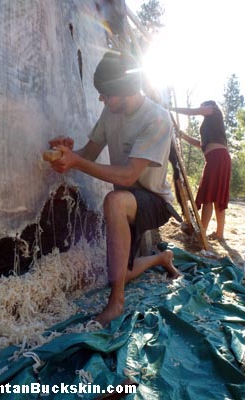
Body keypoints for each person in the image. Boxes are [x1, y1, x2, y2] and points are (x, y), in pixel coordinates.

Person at [49, 51, 180, 327]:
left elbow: (130, 174)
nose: (101, 98)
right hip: (127, 197)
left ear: (124, 89)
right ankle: (161, 257)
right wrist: (68, 154)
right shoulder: (111, 112)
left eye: (105, 93)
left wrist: (78, 162)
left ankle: (116, 302)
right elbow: (89, 153)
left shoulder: (157, 118)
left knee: (114, 201)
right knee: (120, 271)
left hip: (154, 200)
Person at [171, 101, 231, 240]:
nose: (202, 109)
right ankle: (219, 234)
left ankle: (202, 232)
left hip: (217, 158)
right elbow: (200, 144)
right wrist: (183, 135)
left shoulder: (214, 110)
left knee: (209, 195)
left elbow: (193, 111)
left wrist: (172, 108)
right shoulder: (211, 125)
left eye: (203, 106)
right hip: (218, 158)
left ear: (208, 106)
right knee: (215, 196)